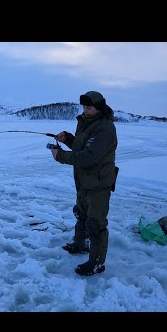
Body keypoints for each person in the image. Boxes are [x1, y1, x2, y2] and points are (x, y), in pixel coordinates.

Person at [50, 91, 118, 276]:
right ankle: (80, 244)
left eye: (89, 107)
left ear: (99, 108)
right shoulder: (86, 123)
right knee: (82, 215)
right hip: (84, 181)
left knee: (96, 224)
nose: (85, 110)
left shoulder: (105, 128)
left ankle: (96, 263)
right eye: (84, 107)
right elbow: (83, 147)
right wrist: (68, 138)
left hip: (98, 184)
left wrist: (61, 156)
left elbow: (89, 157)